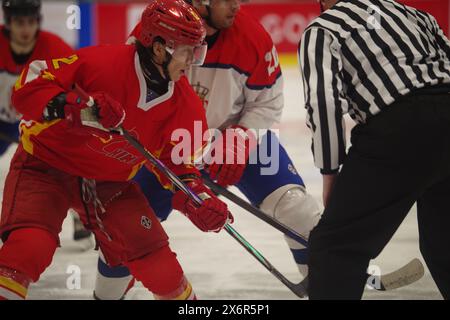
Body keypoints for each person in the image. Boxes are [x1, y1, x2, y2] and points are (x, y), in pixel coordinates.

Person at [0, 0, 232, 300]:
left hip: (110, 182)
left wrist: (197, 199)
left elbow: (177, 164)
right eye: (188, 51)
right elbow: (28, 89)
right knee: (28, 248)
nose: (193, 62)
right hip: (46, 166)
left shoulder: (186, 107)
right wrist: (75, 106)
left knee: (164, 272)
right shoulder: (102, 64)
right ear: (160, 49)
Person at [93, 0, 322, 300]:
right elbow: (135, 95)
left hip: (234, 135)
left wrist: (240, 139)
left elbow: (267, 101)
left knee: (298, 209)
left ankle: (327, 287)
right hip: (168, 147)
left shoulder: (253, 37)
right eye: (227, 0)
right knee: (124, 231)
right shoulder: (154, 31)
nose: (237, 6)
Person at [299, 0, 450, 299]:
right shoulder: (416, 15)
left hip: (399, 129)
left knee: (335, 248)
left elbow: (324, 102)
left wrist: (331, 173)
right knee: (445, 243)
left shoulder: (324, 27)